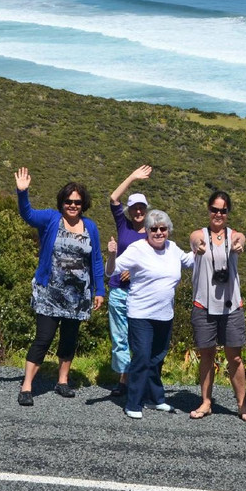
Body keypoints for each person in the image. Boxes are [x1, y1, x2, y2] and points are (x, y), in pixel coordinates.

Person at [14, 167, 105, 406]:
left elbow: (95, 259)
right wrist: (22, 193)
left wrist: (99, 290)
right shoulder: (52, 219)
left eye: (77, 202)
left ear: (83, 204)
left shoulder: (90, 227)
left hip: (77, 297)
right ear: (61, 202)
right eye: (68, 201)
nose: (72, 205)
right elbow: (28, 215)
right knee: (43, 338)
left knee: (69, 339)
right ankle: (27, 386)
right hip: (49, 293)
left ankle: (62, 381)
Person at [107, 209, 194, 419]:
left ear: (168, 231)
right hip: (141, 314)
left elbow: (190, 261)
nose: (158, 232)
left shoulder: (172, 248)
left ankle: (155, 399)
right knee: (142, 357)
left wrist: (204, 246)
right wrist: (111, 254)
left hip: (165, 314)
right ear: (146, 230)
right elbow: (112, 270)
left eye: (162, 228)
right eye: (153, 229)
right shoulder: (137, 249)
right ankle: (133, 403)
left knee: (157, 358)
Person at [187, 190, 246, 420]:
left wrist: (238, 245)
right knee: (207, 356)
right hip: (204, 305)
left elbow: (240, 240)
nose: (218, 214)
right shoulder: (199, 234)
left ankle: (242, 404)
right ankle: (205, 402)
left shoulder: (234, 236)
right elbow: (194, 240)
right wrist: (198, 246)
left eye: (223, 210)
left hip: (231, 306)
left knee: (235, 357)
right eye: (214, 209)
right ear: (208, 210)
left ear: (228, 213)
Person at [105, 165, 153, 398]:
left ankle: (137, 379)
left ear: (146, 209)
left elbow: (157, 263)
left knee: (139, 338)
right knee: (119, 337)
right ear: (130, 209)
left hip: (142, 293)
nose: (137, 212)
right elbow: (114, 198)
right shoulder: (123, 225)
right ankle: (124, 379)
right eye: (133, 207)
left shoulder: (154, 232)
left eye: (141, 207)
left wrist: (135, 273)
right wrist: (132, 177)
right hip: (118, 291)